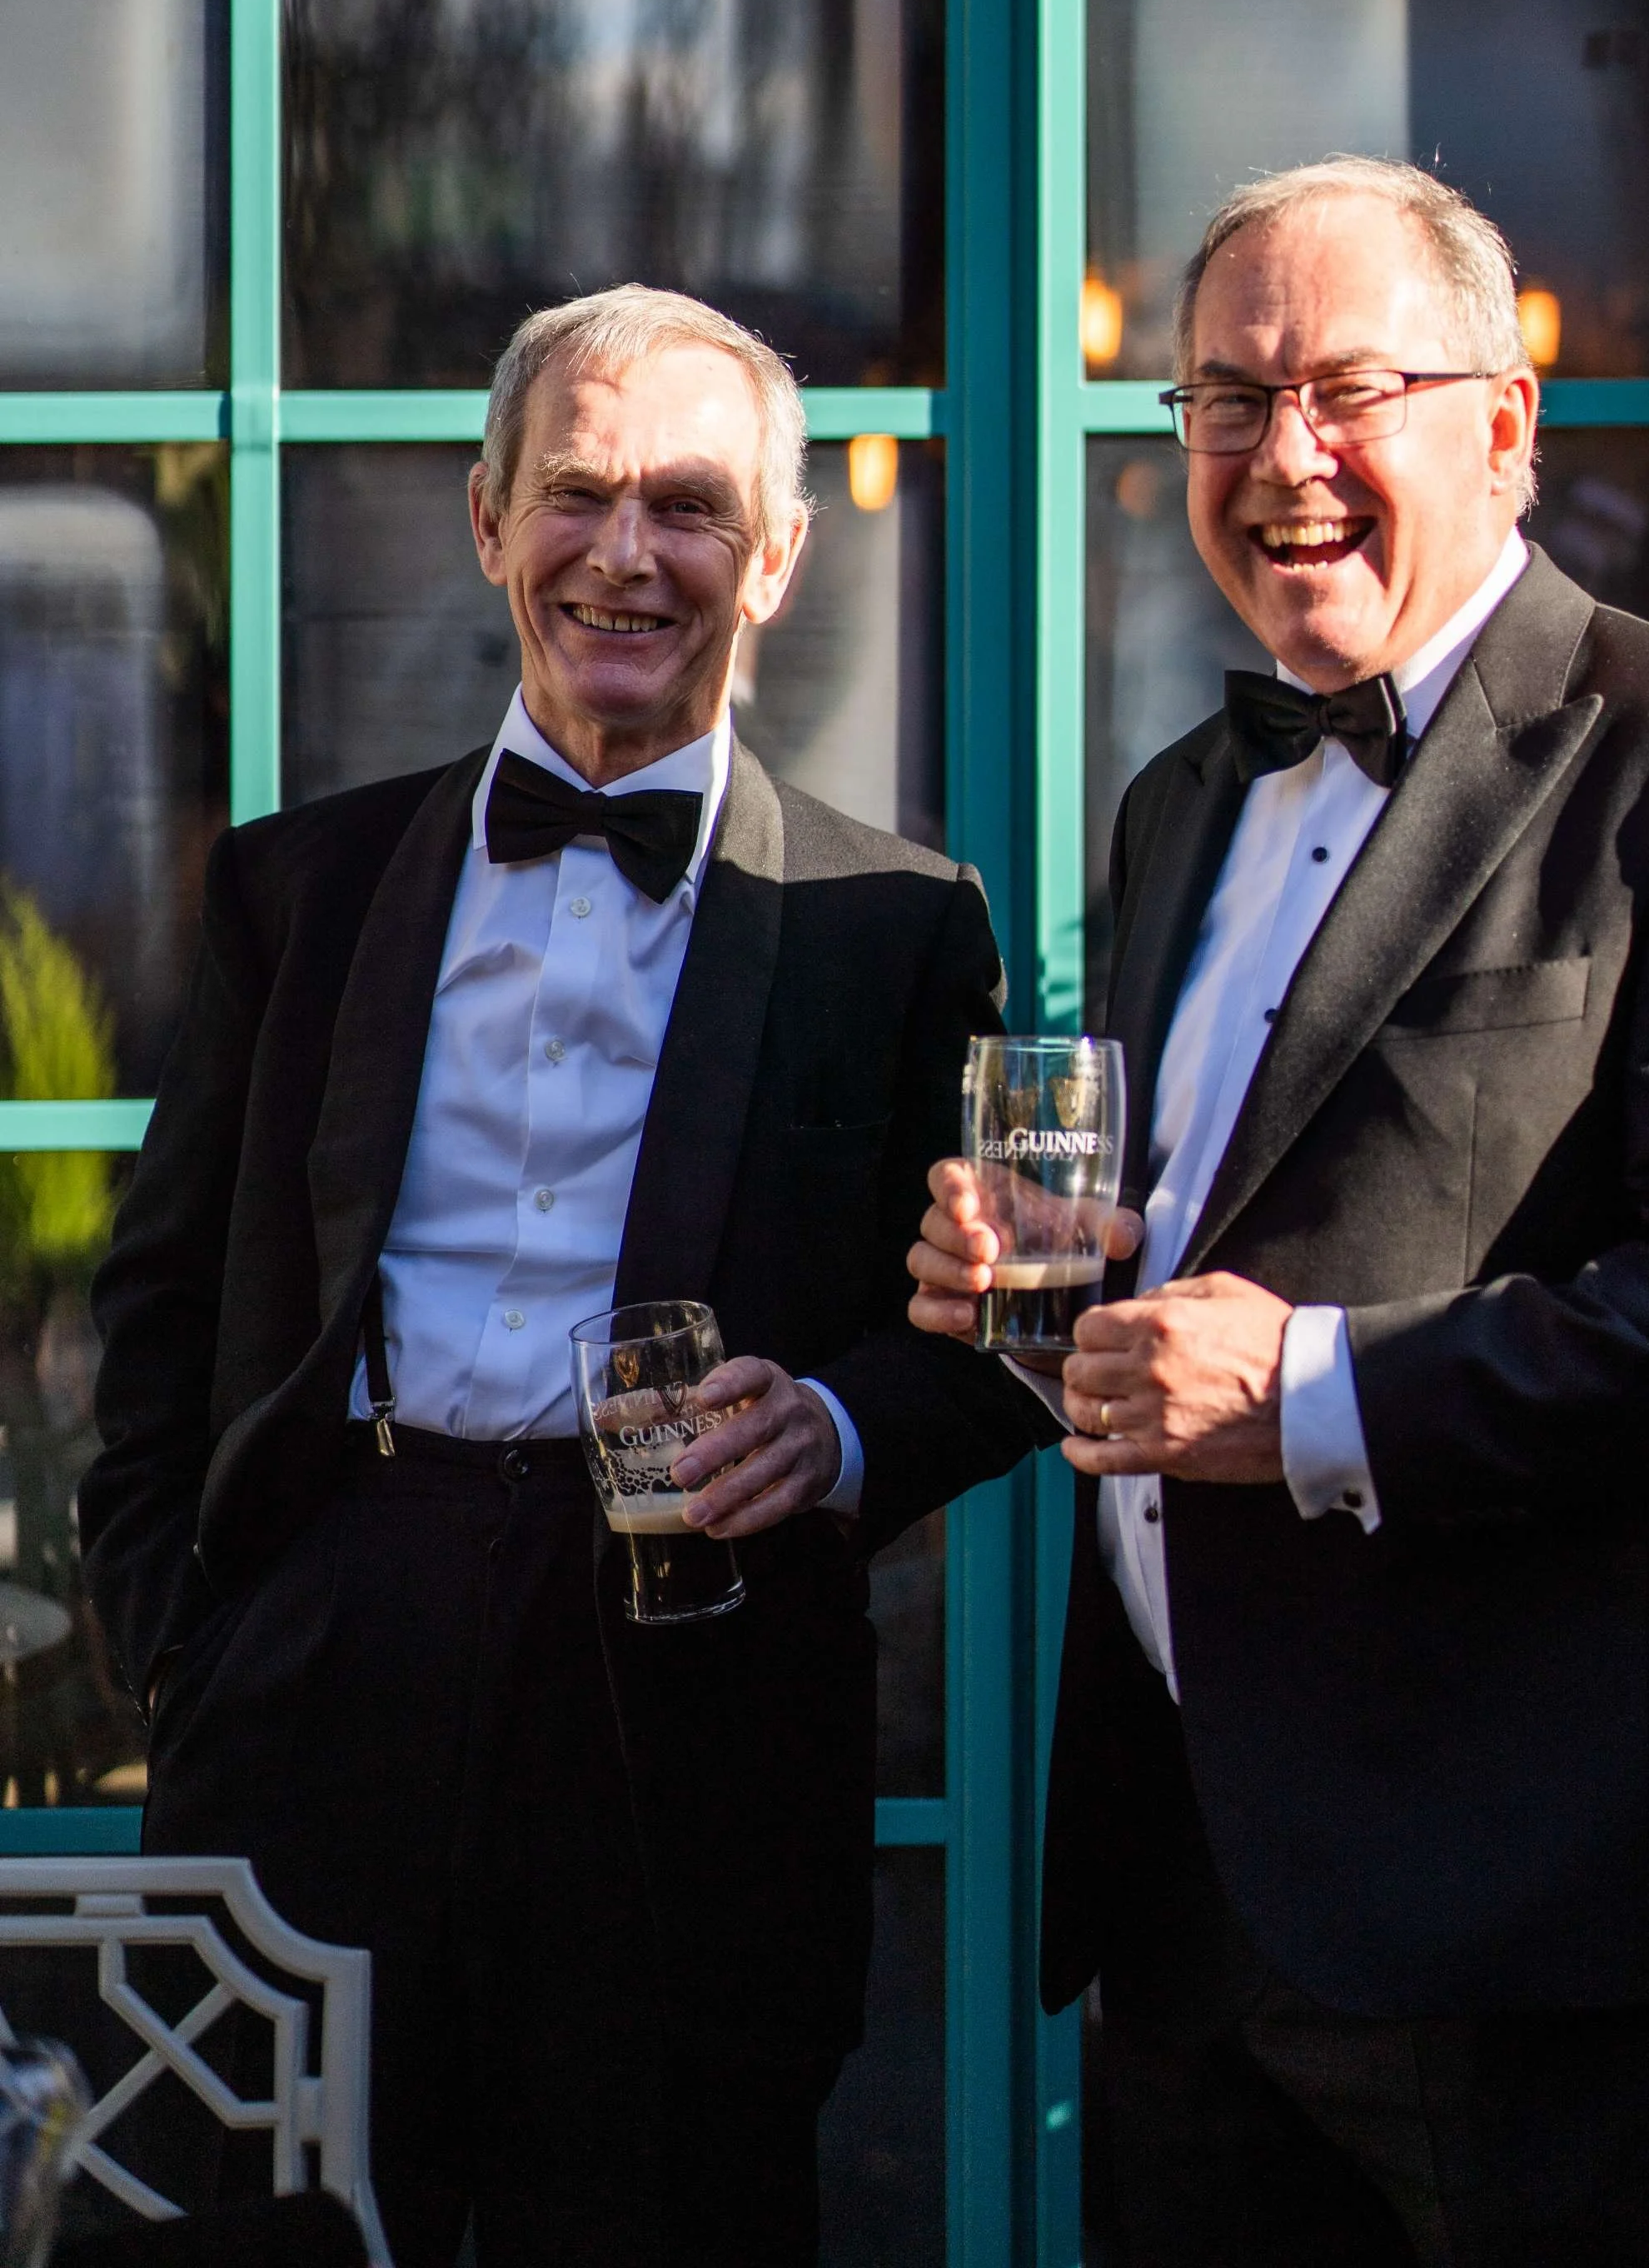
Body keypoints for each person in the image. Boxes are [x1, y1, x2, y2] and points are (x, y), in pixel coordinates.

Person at [907, 158, 1649, 2268]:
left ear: (1506, 424)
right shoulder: (1181, 795)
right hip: (1188, 1889)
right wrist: (1054, 1271)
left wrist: (1317, 1387)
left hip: (1537, 1908)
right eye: (1225, 399)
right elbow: (1241, 1220)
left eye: (1349, 388)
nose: (1286, 456)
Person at [80, 287, 1027, 2268]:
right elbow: (160, 1311)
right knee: (264, 2232)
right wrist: (188, 1642)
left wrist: (842, 1428)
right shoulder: (297, 889)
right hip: (329, 1650)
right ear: (487, 516)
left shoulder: (898, 925)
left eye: (689, 505)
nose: (626, 553)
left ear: (775, 556)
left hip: (691, 1701)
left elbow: (995, 1339)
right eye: (577, 493)